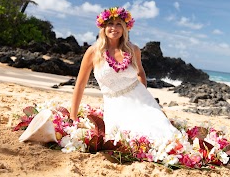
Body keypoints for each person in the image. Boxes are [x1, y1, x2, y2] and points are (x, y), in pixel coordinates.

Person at [70, 7, 179, 141]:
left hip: (141, 99)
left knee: (165, 135)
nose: (114, 28)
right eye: (110, 23)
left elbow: (140, 73)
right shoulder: (93, 52)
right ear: (103, 27)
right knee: (126, 138)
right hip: (114, 105)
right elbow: (80, 86)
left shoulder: (133, 50)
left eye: (118, 24)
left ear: (124, 28)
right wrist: (73, 117)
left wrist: (144, 97)